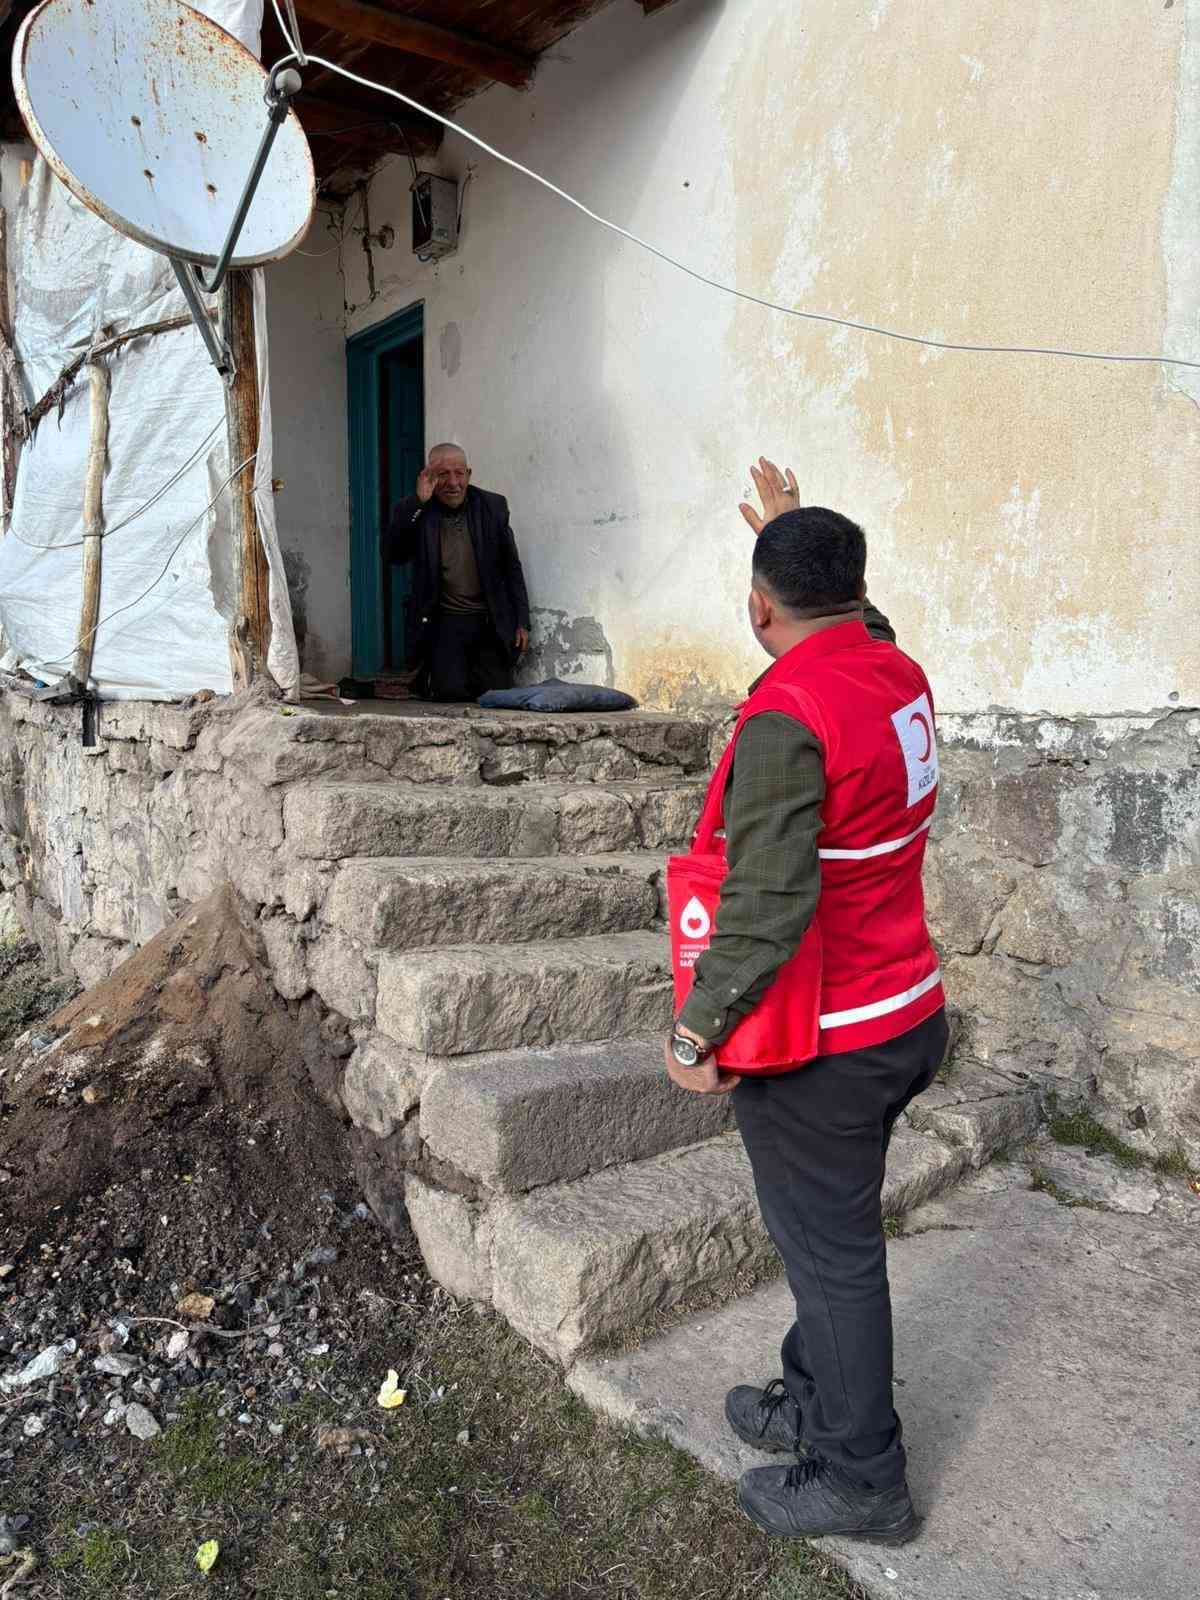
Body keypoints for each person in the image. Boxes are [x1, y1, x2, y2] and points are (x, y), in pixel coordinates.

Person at [664, 458, 947, 1545]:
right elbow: (856, 620)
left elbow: (767, 902)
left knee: (833, 1259)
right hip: (907, 1011)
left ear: (759, 608)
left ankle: (863, 1478)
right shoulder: (893, 666)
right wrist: (800, 535)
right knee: (825, 1240)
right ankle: (818, 1403)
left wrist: (697, 1029)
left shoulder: (789, 715)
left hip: (831, 1040)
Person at [383, 443, 530, 701]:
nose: (453, 483)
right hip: (445, 621)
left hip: (488, 621)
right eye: (443, 474)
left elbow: (511, 566)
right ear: (429, 476)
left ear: (468, 474)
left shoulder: (492, 506)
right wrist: (418, 502)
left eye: (459, 473)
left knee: (494, 694)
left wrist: (521, 621)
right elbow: (393, 555)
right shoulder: (418, 509)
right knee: (449, 692)